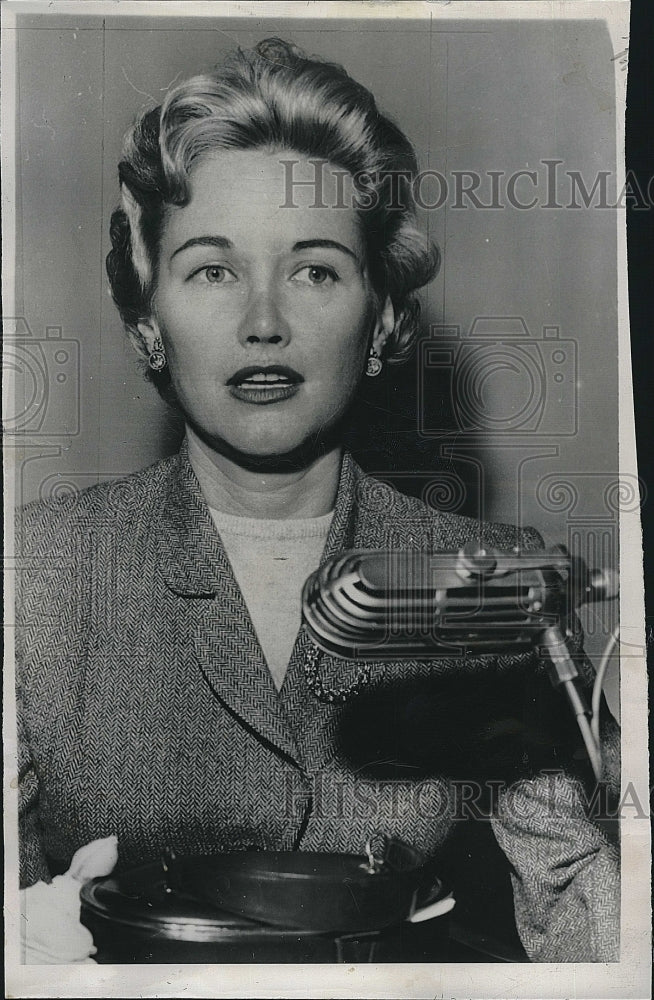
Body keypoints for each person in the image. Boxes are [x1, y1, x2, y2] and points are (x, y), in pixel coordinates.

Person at [16, 37, 620, 963]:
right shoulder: (32, 575)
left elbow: (600, 923)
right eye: (212, 269)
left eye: (315, 270)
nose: (265, 321)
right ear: (147, 316)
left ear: (380, 314)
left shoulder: (490, 578)